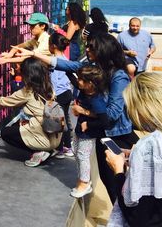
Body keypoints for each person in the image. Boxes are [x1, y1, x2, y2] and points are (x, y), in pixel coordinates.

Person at [17, 33, 137, 202]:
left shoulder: (118, 77)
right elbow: (65, 64)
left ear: (103, 51)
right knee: (107, 178)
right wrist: (33, 54)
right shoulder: (92, 66)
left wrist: (86, 113)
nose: (86, 49)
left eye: (91, 47)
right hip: (102, 131)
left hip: (118, 134)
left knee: (116, 181)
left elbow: (112, 115)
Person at [106, 73, 162, 226]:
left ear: (143, 107)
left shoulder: (149, 145)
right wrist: (139, 158)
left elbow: (136, 218)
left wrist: (118, 171)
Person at [0, 58, 62, 167]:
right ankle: (50, 150)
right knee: (17, 125)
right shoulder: (49, 87)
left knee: (5, 133)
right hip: (56, 136)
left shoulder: (27, 92)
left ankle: (39, 152)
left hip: (44, 138)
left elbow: (8, 101)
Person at [69, 64, 109, 198]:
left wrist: (88, 124)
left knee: (82, 155)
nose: (78, 81)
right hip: (79, 129)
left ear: (90, 84)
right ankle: (82, 177)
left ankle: (85, 182)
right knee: (75, 150)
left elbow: (104, 120)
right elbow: (73, 78)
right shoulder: (84, 90)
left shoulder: (97, 100)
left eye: (81, 79)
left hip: (88, 132)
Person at [48, 33, 75, 158]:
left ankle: (60, 149)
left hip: (59, 94)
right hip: (67, 92)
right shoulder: (65, 59)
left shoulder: (55, 62)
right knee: (65, 121)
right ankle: (68, 146)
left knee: (58, 122)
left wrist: (52, 94)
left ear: (53, 46)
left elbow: (54, 80)